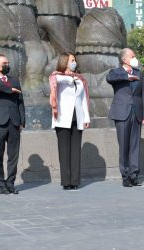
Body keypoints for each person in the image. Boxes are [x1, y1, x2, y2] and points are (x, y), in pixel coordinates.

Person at [106, 48, 144, 187]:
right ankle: (125, 176)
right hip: (122, 113)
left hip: (136, 113)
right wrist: (126, 76)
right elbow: (109, 78)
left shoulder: (139, 73)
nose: (135, 58)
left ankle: (134, 174)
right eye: (132, 56)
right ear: (124, 59)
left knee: (134, 146)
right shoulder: (116, 72)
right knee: (124, 145)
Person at [0, 54, 25, 194]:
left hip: (14, 122)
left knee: (13, 155)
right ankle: (1, 184)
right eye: (4, 63)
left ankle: (11, 183)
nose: (7, 65)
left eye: (8, 62)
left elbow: (20, 101)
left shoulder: (14, 80)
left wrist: (22, 121)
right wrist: (9, 89)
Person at [49, 52, 90, 190]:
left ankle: (75, 181)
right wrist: (69, 77)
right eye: (72, 60)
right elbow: (57, 80)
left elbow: (83, 99)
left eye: (75, 60)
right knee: (64, 150)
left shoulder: (79, 79)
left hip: (77, 117)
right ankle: (66, 182)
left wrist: (86, 118)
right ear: (65, 62)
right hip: (62, 118)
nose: (75, 62)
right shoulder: (57, 77)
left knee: (75, 150)